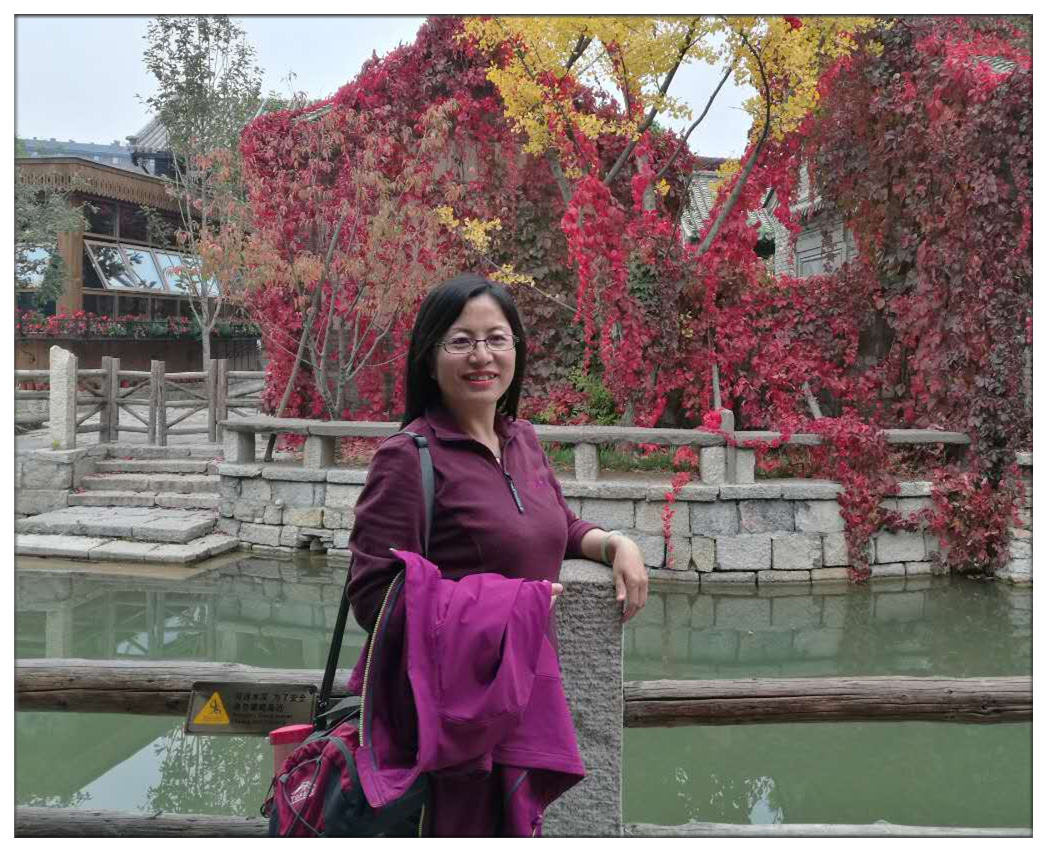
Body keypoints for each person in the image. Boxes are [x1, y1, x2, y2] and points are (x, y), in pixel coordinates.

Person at [345, 272, 648, 835]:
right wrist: (507, 607)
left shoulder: (522, 439)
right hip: (456, 717)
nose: (481, 356)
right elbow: (372, 599)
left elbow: (555, 525)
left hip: (523, 702)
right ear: (429, 356)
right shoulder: (408, 458)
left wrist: (613, 543)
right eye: (461, 341)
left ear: (517, 350)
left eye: (496, 339)